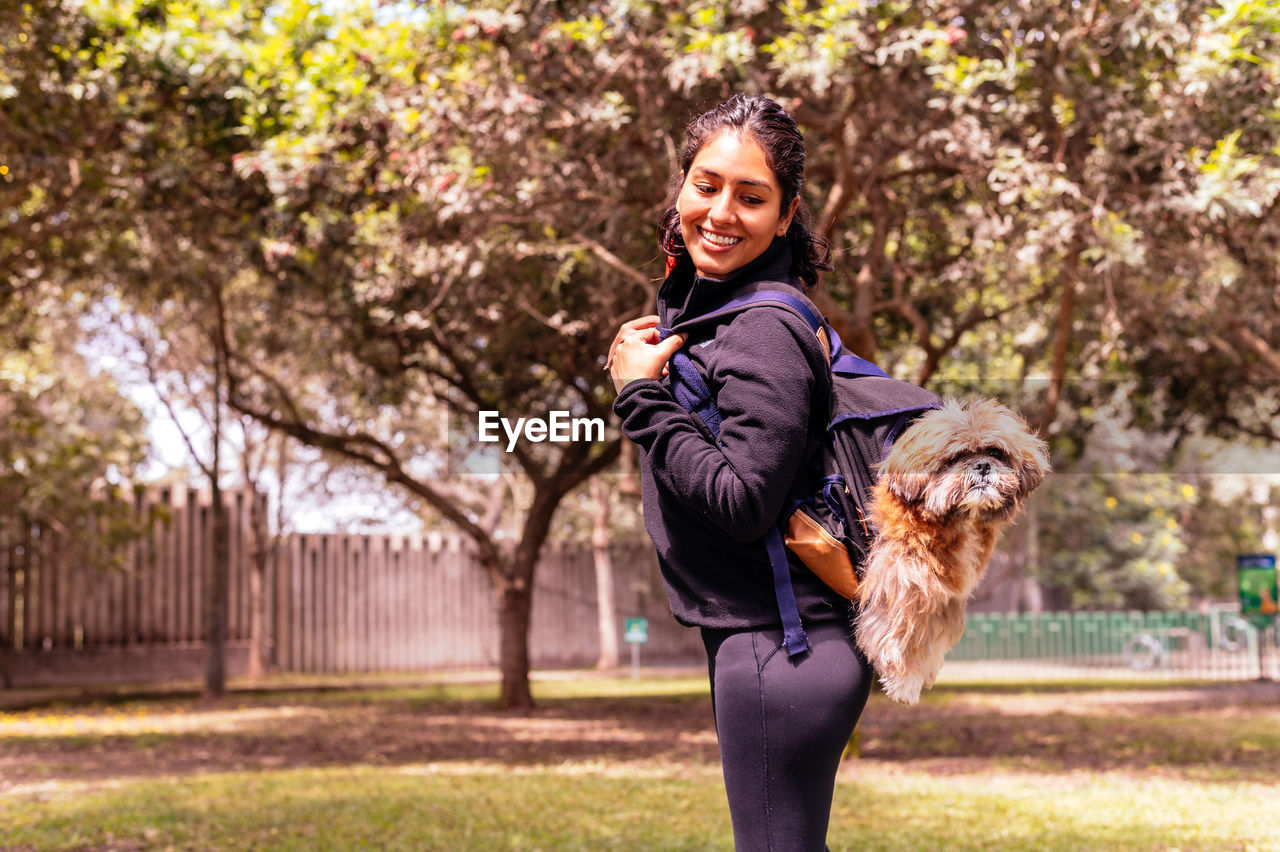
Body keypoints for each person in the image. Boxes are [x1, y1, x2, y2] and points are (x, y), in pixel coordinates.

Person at [607, 94, 872, 852]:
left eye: (751, 196)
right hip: (779, 643)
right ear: (682, 187)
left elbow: (742, 501)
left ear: (787, 215)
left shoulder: (761, 329)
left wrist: (640, 398)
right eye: (706, 184)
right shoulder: (730, 314)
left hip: (779, 647)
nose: (720, 211)